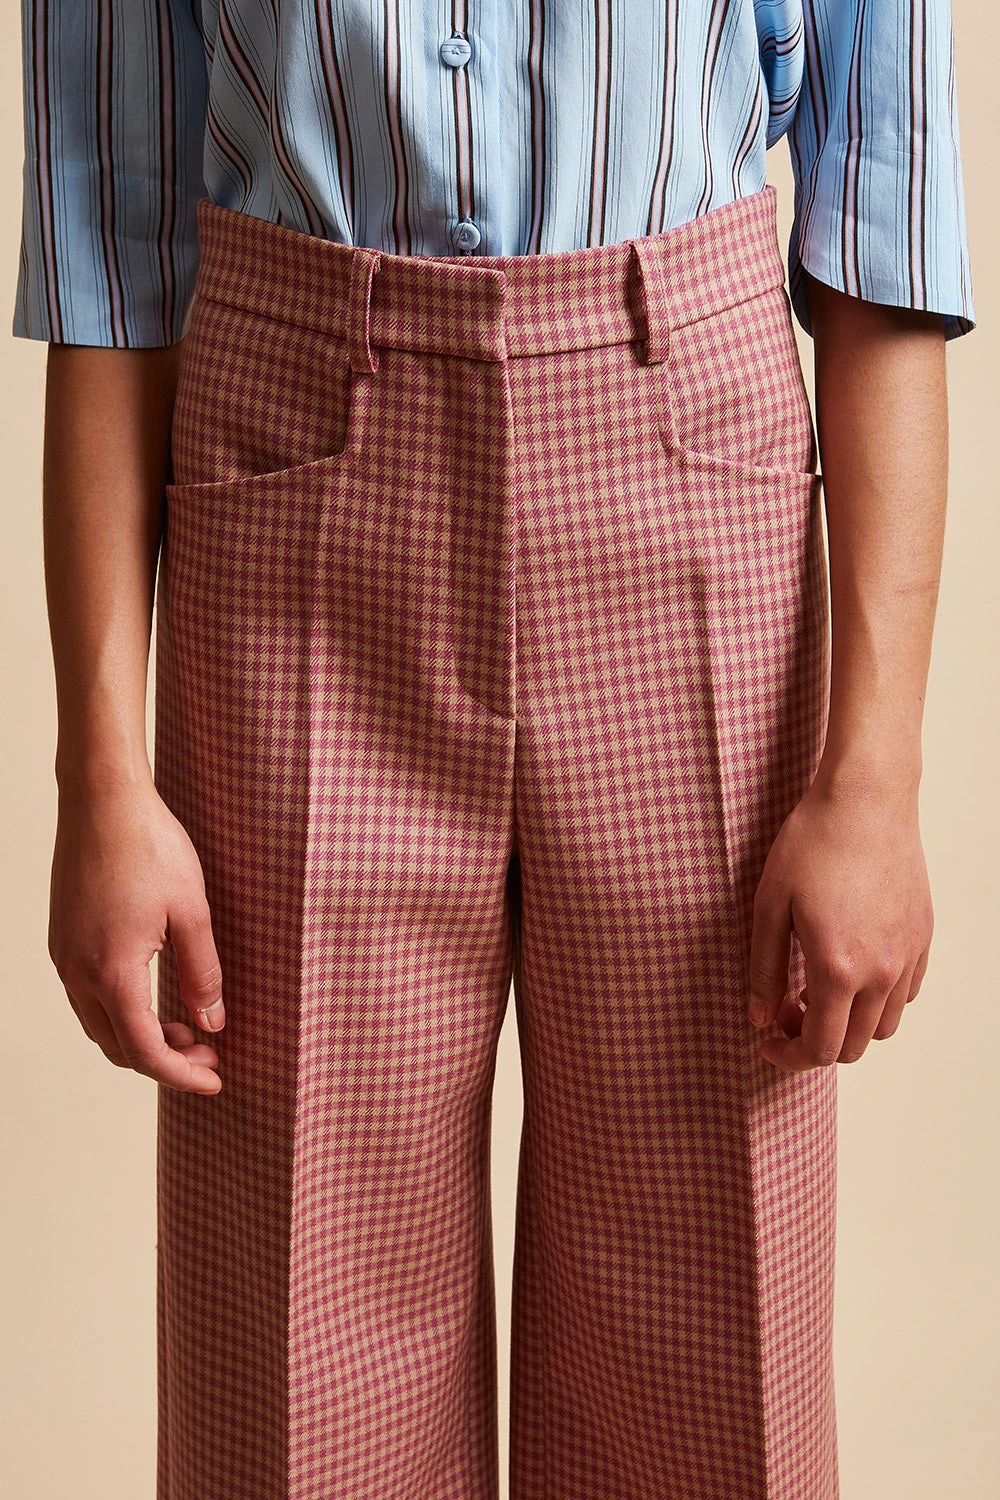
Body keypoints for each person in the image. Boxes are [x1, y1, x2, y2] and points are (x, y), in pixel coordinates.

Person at [12, 4, 976, 1499]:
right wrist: (100, 776)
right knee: (299, 1378)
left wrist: (876, 780)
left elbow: (884, 241)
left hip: (687, 502)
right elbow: (110, 252)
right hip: (298, 519)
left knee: (708, 1367)